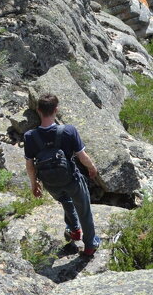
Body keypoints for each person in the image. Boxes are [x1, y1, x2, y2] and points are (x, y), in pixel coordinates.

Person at [23, 93, 103, 256]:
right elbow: (82, 156)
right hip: (71, 179)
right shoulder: (68, 130)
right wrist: (92, 168)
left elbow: (30, 166)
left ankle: (74, 230)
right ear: (56, 110)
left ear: (38, 110)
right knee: (84, 209)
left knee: (65, 200)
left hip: (50, 183)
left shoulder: (30, 137)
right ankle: (89, 245)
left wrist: (34, 185)